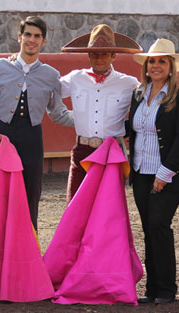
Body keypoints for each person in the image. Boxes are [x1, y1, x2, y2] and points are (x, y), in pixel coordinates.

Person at [0, 16, 74, 231]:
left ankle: (28, 257)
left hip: (32, 140)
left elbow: (57, 113)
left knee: (30, 196)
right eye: (27, 34)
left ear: (44, 41)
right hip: (2, 137)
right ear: (19, 37)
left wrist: (89, 119)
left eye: (37, 36)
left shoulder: (51, 75)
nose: (32, 40)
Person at [128, 39, 179, 305]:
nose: (156, 65)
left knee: (159, 224)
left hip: (168, 172)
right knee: (148, 228)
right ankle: (152, 289)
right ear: (146, 67)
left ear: (171, 67)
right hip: (141, 171)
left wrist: (164, 173)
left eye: (162, 61)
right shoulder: (137, 94)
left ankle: (167, 289)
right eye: (152, 61)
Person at [60, 24, 141, 203]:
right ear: (88, 55)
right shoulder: (74, 78)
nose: (99, 58)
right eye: (95, 53)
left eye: (104, 53)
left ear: (114, 55)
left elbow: (149, 104)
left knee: (109, 207)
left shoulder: (129, 83)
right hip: (82, 150)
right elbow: (46, 89)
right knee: (75, 205)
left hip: (112, 151)